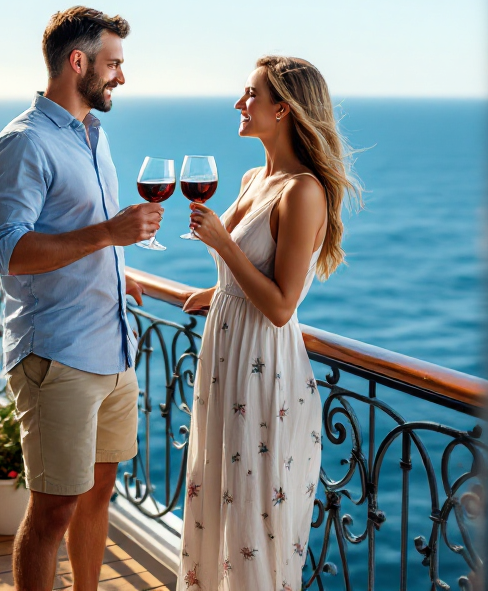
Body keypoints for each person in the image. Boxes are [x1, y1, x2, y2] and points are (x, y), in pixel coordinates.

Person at [0, 7, 163, 591]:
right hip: (58, 355)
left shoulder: (92, 136)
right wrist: (109, 235)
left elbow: (74, 232)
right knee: (51, 513)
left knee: (98, 494)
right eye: (113, 64)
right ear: (78, 62)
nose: (121, 77)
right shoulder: (23, 143)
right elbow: (8, 250)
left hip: (113, 350)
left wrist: (113, 271)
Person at [176, 56, 360, 591]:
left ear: (283, 109)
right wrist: (218, 292)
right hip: (225, 354)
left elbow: (281, 306)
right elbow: (252, 272)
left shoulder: (303, 191)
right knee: (217, 495)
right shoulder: (254, 178)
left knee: (250, 515)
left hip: (262, 365)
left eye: (251, 94)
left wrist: (223, 244)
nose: (240, 103)